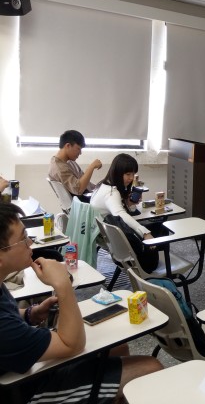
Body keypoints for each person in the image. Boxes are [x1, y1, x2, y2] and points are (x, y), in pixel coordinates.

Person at [0, 202, 163, 403]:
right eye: (23, 238)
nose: (30, 243)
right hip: (27, 390)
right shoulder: (3, 328)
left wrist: (30, 313)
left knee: (117, 348)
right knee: (150, 367)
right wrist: (63, 284)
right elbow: (72, 345)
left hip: (22, 366)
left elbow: (9, 315)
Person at [90, 154, 160, 273]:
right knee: (159, 228)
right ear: (117, 173)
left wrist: (130, 204)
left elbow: (121, 212)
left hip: (110, 239)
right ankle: (163, 261)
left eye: (133, 174)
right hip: (119, 243)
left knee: (154, 226)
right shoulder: (111, 193)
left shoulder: (103, 185)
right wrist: (145, 232)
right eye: (128, 174)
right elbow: (120, 214)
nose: (131, 178)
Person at [48, 130, 102, 198]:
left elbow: (85, 183)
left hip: (86, 196)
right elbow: (78, 189)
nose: (80, 153)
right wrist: (91, 167)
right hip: (82, 201)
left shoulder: (68, 162)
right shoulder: (59, 167)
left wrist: (98, 188)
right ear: (68, 146)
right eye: (78, 149)